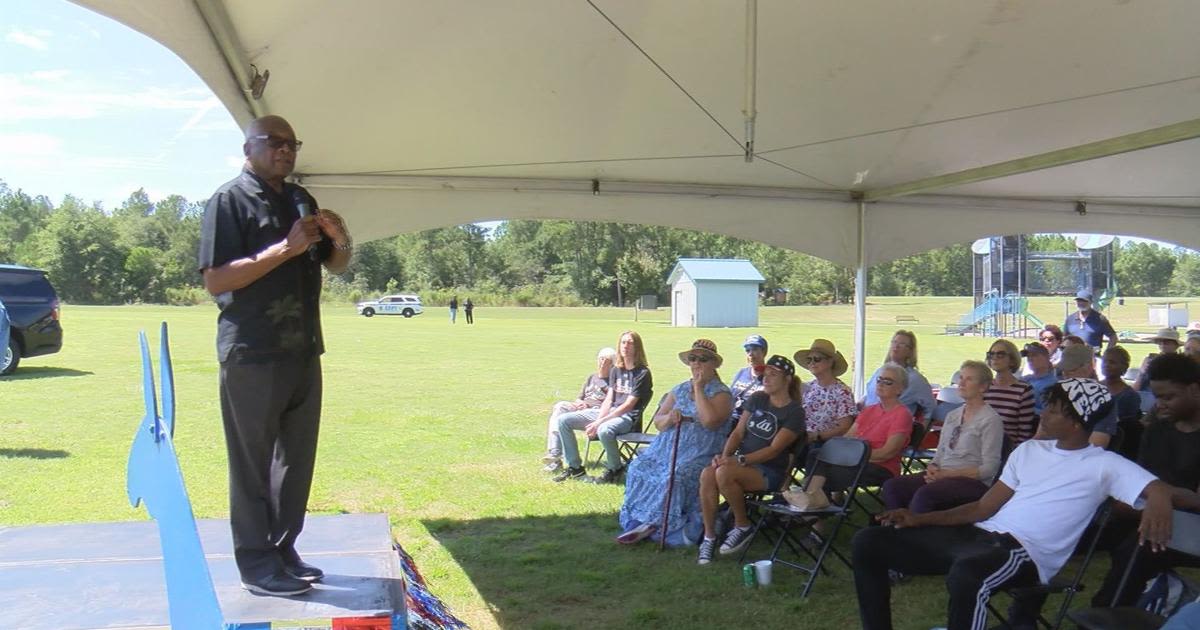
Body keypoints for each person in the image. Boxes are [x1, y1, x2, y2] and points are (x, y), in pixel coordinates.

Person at [852, 378, 1191, 630]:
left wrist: (1160, 493)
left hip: (1023, 552)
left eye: (1053, 411)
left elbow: (1169, 491)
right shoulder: (1029, 451)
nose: (1042, 415)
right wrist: (918, 519)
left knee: (970, 571)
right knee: (870, 542)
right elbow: (982, 508)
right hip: (979, 535)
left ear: (1075, 421)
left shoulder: (1103, 464)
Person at [198, 115, 353, 597]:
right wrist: (283, 250)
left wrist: (340, 237)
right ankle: (256, 564)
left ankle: (284, 549)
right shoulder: (229, 200)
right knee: (252, 463)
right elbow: (216, 280)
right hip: (253, 352)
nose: (286, 151)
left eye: (293, 144)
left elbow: (336, 263)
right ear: (249, 147)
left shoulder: (300, 199)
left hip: (303, 350)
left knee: (296, 460)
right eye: (276, 142)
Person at [1092, 353, 1200, 608]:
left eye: (1168, 397)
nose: (1159, 404)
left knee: (1142, 544)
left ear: (1195, 390)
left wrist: (1161, 497)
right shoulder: (1157, 430)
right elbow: (1139, 481)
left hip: (1190, 524)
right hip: (1147, 514)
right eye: (1156, 396)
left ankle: (1107, 612)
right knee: (1094, 520)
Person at [617, 339, 732, 546]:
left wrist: (698, 388)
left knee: (675, 475)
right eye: (692, 359)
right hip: (668, 446)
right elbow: (658, 422)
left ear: (714, 364)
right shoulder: (678, 389)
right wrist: (670, 418)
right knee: (638, 466)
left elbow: (710, 422)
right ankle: (640, 521)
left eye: (703, 359)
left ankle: (663, 525)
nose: (696, 363)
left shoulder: (721, 393)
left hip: (701, 451)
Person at [697, 355, 804, 564]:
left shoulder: (794, 412)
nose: (766, 378)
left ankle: (742, 524)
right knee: (709, 473)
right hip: (743, 464)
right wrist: (726, 456)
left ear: (787, 379)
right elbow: (738, 433)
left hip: (771, 471)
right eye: (766, 373)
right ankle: (709, 537)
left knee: (724, 472)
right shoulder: (757, 399)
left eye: (774, 374)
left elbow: (774, 450)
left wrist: (740, 461)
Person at [882, 360, 1004, 514]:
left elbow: (989, 468)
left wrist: (945, 475)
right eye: (961, 378)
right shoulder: (953, 415)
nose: (962, 383)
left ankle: (913, 533)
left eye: (969, 379)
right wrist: (933, 468)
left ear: (983, 387)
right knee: (893, 487)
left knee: (925, 495)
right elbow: (940, 452)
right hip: (943, 473)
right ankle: (896, 529)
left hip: (971, 481)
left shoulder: (990, 420)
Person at [789, 362, 912, 509]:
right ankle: (811, 501)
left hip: (880, 467)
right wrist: (843, 453)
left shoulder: (902, 415)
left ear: (900, 389)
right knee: (818, 454)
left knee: (828, 471)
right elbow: (847, 438)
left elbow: (888, 452)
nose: (881, 384)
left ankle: (812, 506)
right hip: (856, 459)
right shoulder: (869, 410)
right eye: (879, 380)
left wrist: (854, 456)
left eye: (888, 382)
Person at [554, 331, 653, 483]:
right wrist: (598, 419)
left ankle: (615, 468)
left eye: (630, 343)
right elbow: (609, 400)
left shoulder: (643, 373)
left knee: (604, 430)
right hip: (607, 413)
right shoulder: (616, 370)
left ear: (637, 347)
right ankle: (575, 468)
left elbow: (628, 405)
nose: (626, 346)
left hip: (627, 418)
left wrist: (599, 423)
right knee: (563, 420)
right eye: (623, 342)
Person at [541, 347, 616, 472]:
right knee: (560, 406)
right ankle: (555, 454)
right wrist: (580, 403)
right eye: (600, 359)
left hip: (596, 414)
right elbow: (579, 398)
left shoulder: (614, 381)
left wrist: (603, 378)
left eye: (606, 360)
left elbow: (610, 403)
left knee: (563, 419)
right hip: (582, 410)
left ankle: (564, 462)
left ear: (613, 364)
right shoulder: (591, 377)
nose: (602, 363)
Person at [1051, 344, 1120, 449]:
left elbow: (1097, 445)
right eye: (1062, 371)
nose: (1064, 375)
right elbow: (1042, 435)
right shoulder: (1058, 395)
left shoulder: (1103, 400)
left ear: (1088, 368)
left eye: (1070, 370)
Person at [794, 338, 856, 445]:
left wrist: (817, 436)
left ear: (830, 362)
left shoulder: (842, 392)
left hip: (822, 445)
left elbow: (844, 427)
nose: (812, 363)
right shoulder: (807, 387)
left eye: (817, 359)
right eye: (809, 360)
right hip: (799, 439)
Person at [862, 330, 935, 418]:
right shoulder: (881, 371)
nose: (896, 346)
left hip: (891, 422)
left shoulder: (915, 379)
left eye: (902, 344)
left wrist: (922, 428)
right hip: (866, 418)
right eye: (894, 342)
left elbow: (930, 407)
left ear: (910, 351)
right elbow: (870, 395)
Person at [983, 339, 1036, 446]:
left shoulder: (1023, 390)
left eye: (1000, 354)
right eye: (991, 354)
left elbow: (1024, 432)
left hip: (1007, 450)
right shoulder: (983, 387)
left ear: (1012, 360)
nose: (994, 358)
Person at [1099, 345, 1143, 460]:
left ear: (1124, 367)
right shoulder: (1093, 387)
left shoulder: (1129, 396)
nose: (1106, 365)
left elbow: (1128, 430)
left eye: (1112, 362)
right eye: (1104, 361)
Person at [727, 334, 768, 424]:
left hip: (754, 422)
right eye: (747, 350)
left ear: (764, 352)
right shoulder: (742, 372)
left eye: (755, 349)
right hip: (732, 418)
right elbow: (730, 397)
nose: (750, 354)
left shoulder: (770, 376)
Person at [1018, 343, 1056, 418]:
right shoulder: (1025, 379)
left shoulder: (1052, 384)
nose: (1030, 359)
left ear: (1046, 358)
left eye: (1034, 355)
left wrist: (1024, 407)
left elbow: (1048, 413)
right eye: (1028, 356)